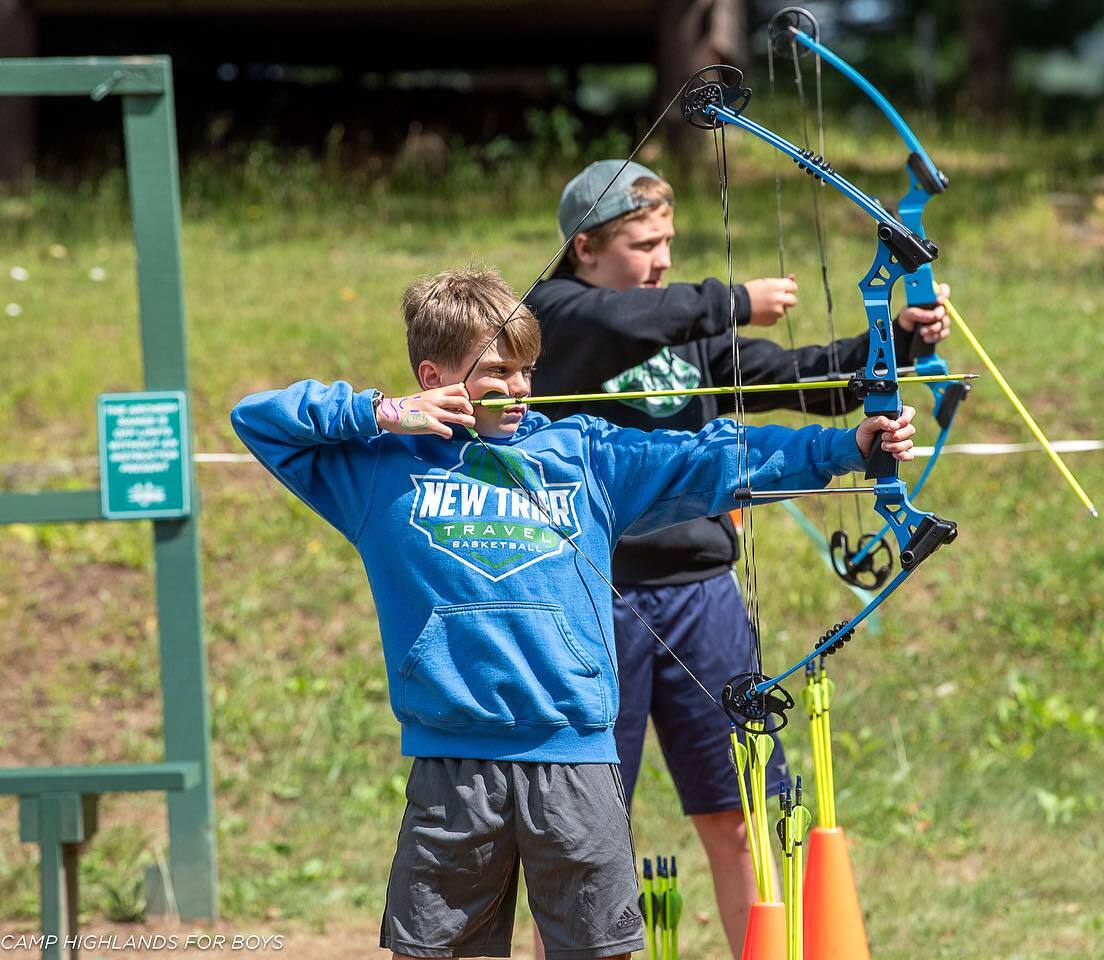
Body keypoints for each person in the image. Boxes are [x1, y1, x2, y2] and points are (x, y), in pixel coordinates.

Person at [229, 267, 919, 960]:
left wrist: (843, 449)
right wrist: (379, 413)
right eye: (499, 370)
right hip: (453, 766)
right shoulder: (378, 469)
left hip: (577, 763)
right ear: (434, 374)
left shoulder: (581, 452)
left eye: (528, 369)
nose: (521, 389)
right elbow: (259, 419)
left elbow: (706, 459)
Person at [524, 159, 950, 956]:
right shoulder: (552, 315)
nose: (662, 263)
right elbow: (622, 325)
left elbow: (794, 376)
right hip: (591, 600)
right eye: (643, 246)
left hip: (700, 596)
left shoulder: (683, 330)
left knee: (742, 807)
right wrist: (732, 300)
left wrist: (891, 341)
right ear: (583, 247)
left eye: (669, 244)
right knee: (582, 829)